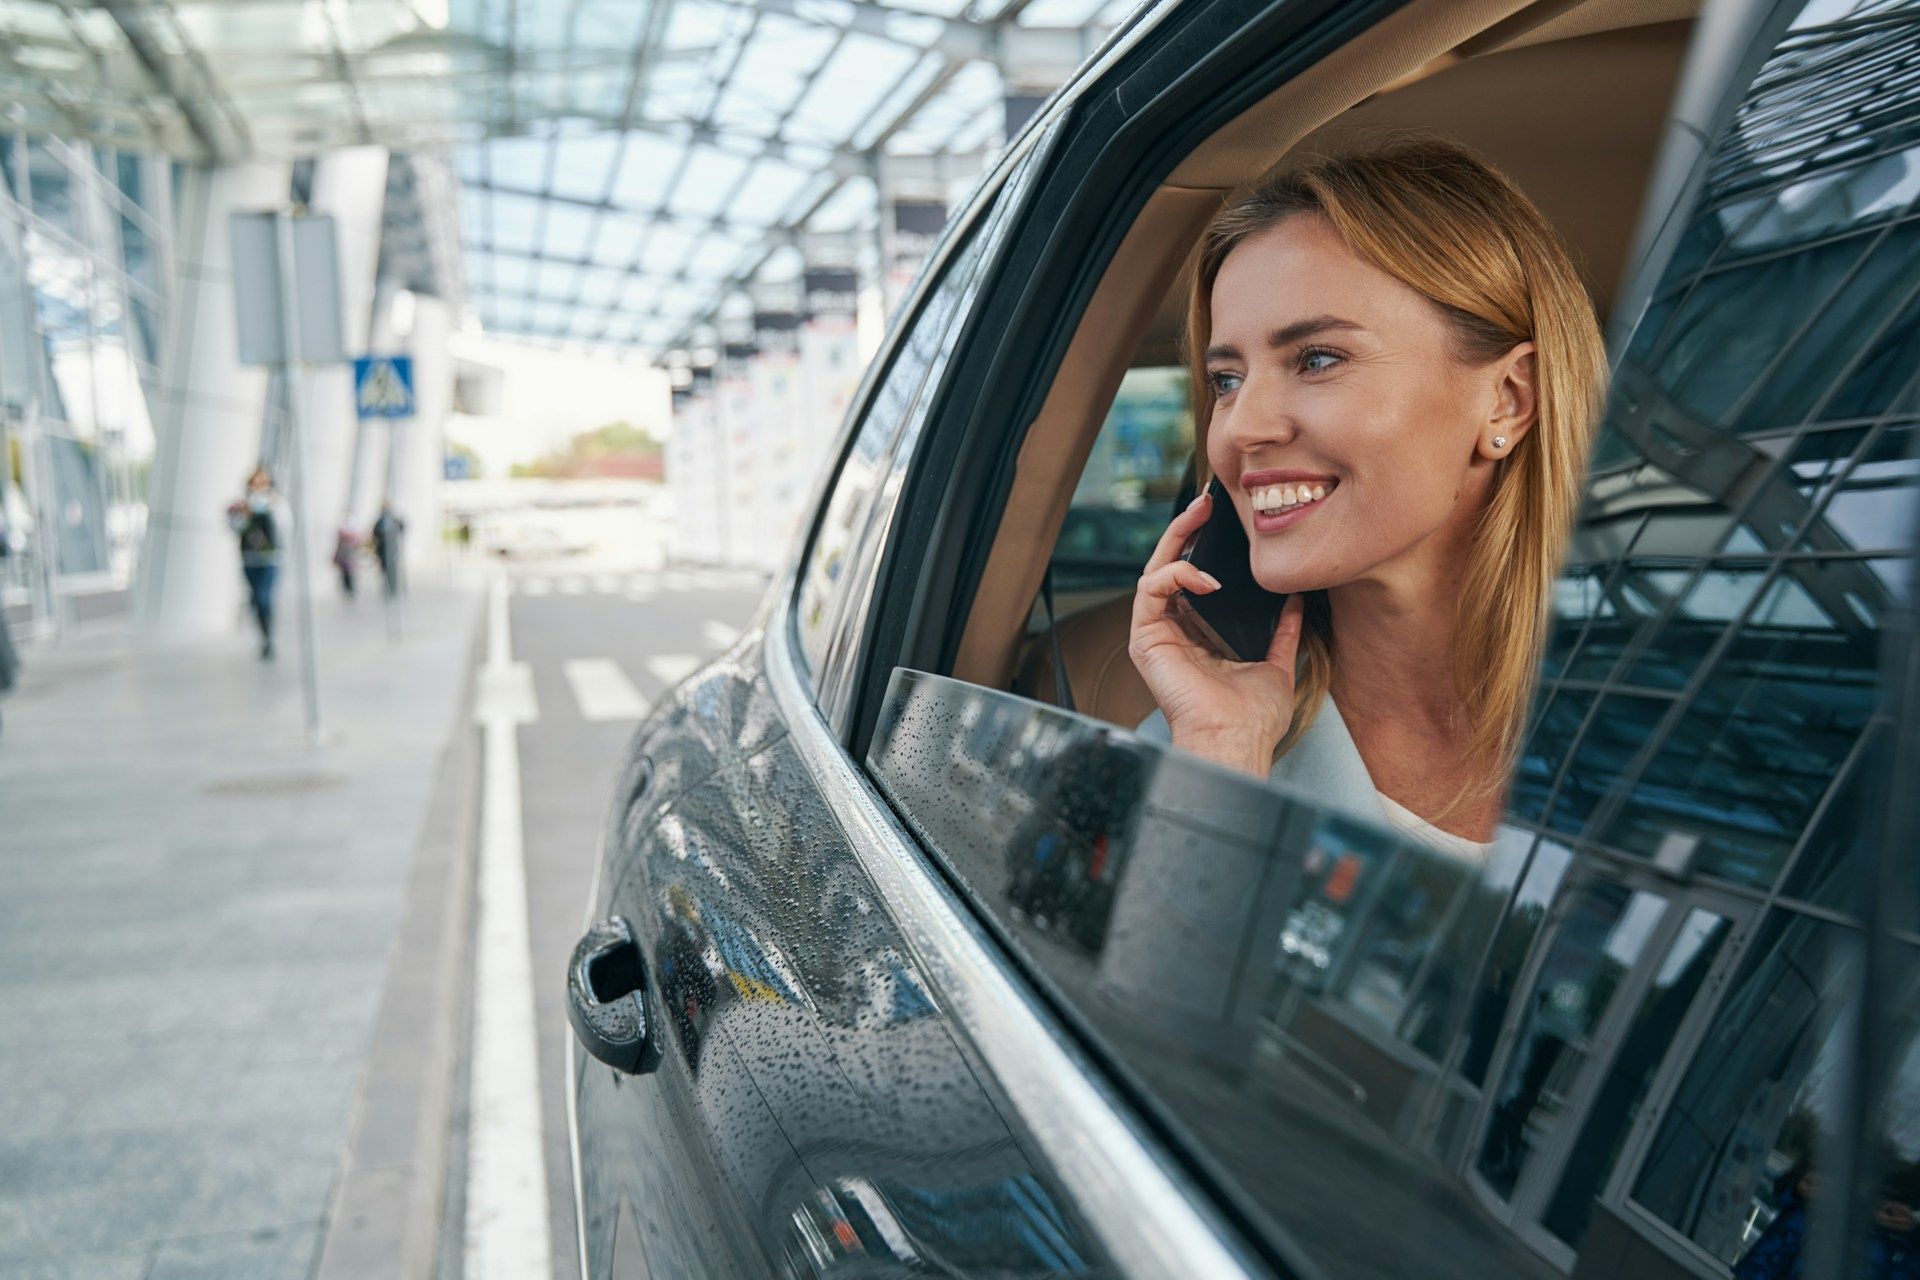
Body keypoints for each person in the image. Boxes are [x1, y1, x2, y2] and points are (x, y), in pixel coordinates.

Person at [1129, 138, 1608, 848]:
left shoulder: (1692, 719)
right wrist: (1223, 757)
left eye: (1317, 359)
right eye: (1226, 381)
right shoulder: (1202, 745)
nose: (1241, 429)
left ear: (1508, 400)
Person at [227, 466, 287, 659]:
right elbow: (235, 528)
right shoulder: (243, 505)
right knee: (256, 597)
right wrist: (244, 514)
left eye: (263, 482)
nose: (259, 486)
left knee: (264, 598)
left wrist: (272, 509)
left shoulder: (277, 504)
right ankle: (264, 633)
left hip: (270, 559)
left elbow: (285, 527)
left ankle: (268, 638)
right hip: (250, 559)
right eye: (256, 482)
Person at [370, 502, 404, 600]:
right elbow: (375, 534)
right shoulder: (379, 522)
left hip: (392, 549)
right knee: (385, 569)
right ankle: (387, 587)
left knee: (393, 569)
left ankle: (393, 588)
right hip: (382, 550)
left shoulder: (394, 520)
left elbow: (401, 527)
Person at [332, 527, 358, 599]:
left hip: (348, 563)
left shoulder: (349, 543)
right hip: (344, 563)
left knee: (349, 576)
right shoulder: (343, 543)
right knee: (346, 576)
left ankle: (350, 590)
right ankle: (348, 590)